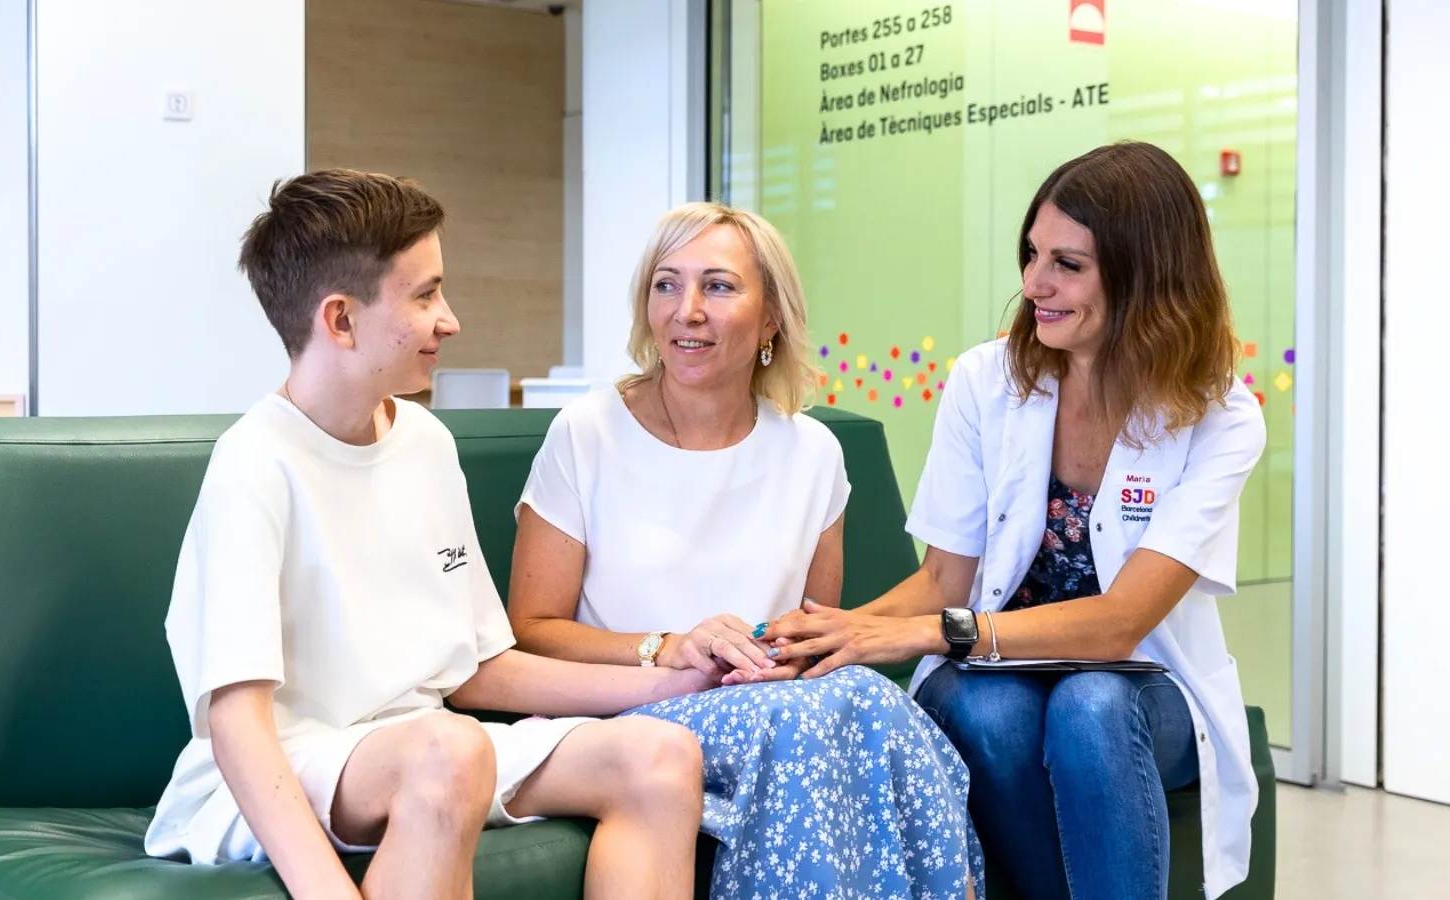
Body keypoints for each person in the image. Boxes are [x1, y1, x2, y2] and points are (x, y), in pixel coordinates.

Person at [143, 169, 716, 900]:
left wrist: (672, 678)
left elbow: (478, 667)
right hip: (286, 763)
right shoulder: (254, 465)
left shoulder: (424, 441)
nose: (450, 320)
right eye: (425, 295)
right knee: (448, 749)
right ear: (341, 320)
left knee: (662, 757)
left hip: (432, 747)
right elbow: (237, 720)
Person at [763, 141, 1266, 900]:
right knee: (984, 708)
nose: (1034, 284)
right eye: (1032, 254)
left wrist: (940, 634)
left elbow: (1120, 625)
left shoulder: (1221, 416)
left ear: (1146, 275)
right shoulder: (985, 382)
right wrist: (841, 633)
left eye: (1067, 264)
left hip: (1148, 692)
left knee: (1090, 705)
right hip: (1000, 676)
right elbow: (944, 580)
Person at [508, 201, 981, 900]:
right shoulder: (587, 434)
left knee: (857, 698)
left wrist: (788, 657)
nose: (686, 310)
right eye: (666, 285)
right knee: (839, 714)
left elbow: (815, 631)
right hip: (629, 712)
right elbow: (533, 633)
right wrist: (666, 646)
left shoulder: (814, 453)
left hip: (774, 709)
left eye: (718, 286)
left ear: (770, 320)